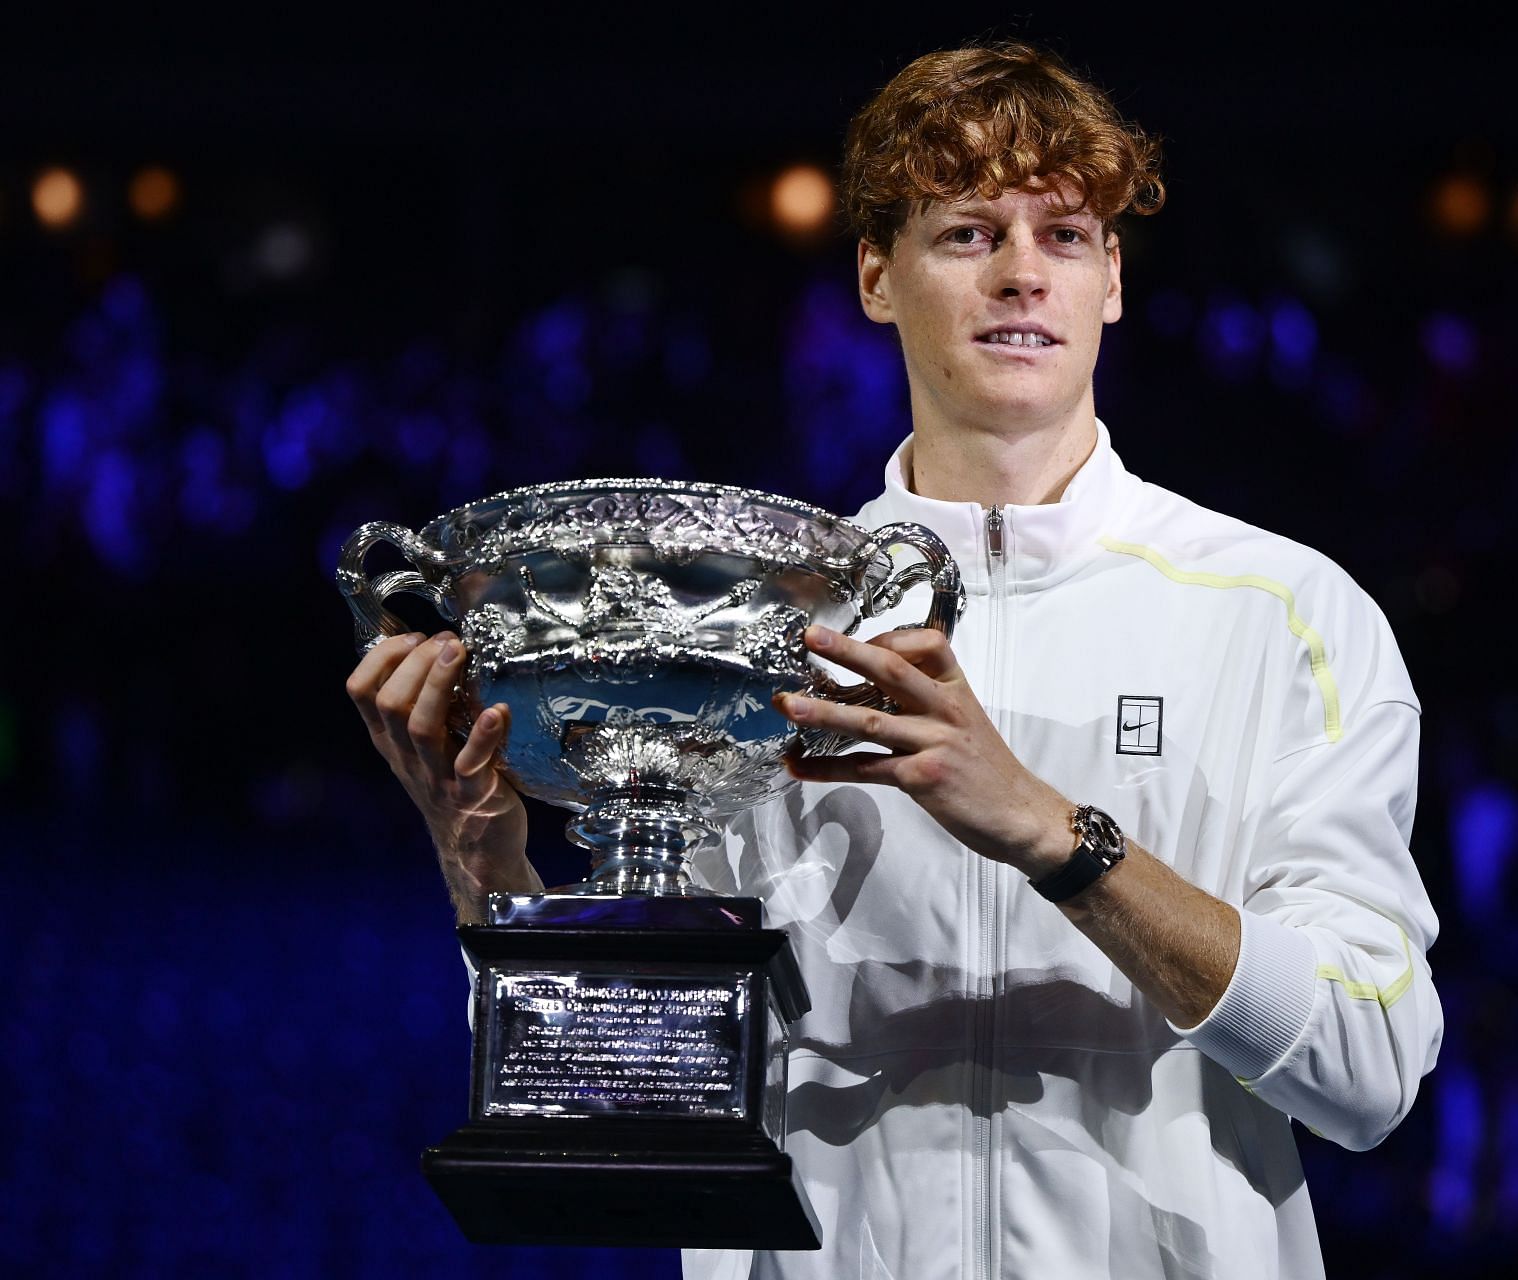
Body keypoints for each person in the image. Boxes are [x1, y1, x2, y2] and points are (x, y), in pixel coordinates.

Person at [346, 42, 1443, 1280]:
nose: (1024, 274)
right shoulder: (754, 621)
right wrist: (485, 864)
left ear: (1114, 280)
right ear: (878, 274)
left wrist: (1055, 836)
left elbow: (1371, 1063)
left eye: (1066, 235)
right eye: (969, 233)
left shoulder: (1284, 612)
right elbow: (631, 1101)